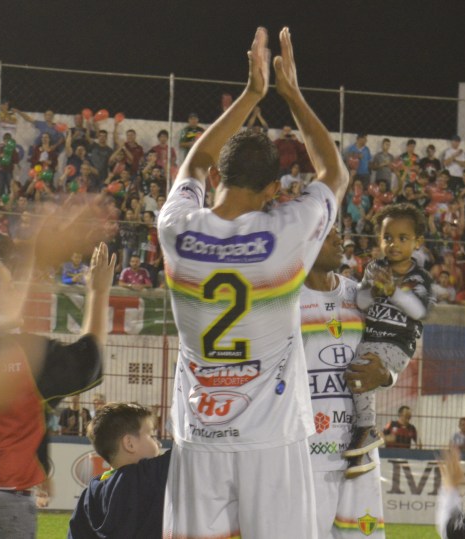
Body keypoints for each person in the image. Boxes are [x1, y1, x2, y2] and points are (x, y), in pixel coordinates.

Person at [158, 27, 348, 538]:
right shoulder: (286, 232)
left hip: (199, 436)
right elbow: (333, 171)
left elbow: (195, 159)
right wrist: (292, 95)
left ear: (217, 179)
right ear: (272, 188)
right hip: (273, 438)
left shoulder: (176, 228)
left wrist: (251, 93)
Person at [0, 238, 114, 539]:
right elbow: (89, 358)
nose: (19, 293)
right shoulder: (27, 354)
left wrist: (40, 455)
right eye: (10, 287)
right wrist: (98, 291)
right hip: (3, 500)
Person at [301, 228, 389, 538]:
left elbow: (386, 355)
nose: (340, 240)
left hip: (358, 452)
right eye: (328, 234)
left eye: (340, 234)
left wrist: (387, 375)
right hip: (305, 453)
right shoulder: (285, 302)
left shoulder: (359, 296)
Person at [342, 204, 434, 477]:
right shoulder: (374, 268)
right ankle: (362, 438)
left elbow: (419, 311)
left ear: (418, 242)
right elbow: (360, 301)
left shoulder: (419, 277)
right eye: (387, 237)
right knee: (354, 372)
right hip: (371, 338)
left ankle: (366, 429)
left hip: (396, 343)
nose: (394, 244)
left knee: (364, 368)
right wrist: (373, 288)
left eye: (403, 238)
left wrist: (392, 290)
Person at [68, 403, 169, 539]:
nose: (159, 443)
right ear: (129, 443)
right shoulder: (151, 475)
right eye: (151, 435)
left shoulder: (90, 495)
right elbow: (194, 449)